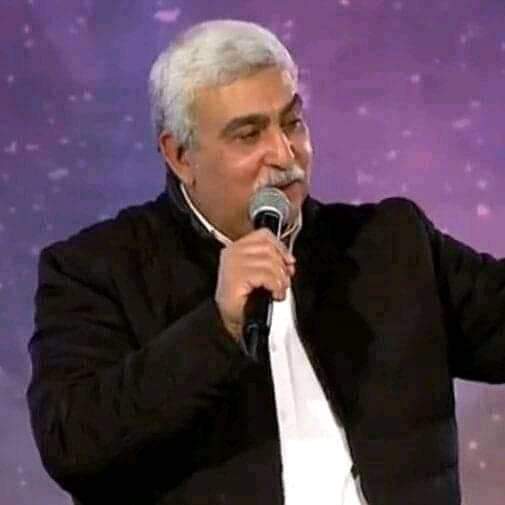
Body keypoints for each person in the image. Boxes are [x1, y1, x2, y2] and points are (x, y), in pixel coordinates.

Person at [26, 19, 505, 505]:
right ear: (180, 156)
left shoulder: (390, 244)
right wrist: (218, 329)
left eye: (292, 122)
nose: (284, 153)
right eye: (248, 135)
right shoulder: (99, 270)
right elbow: (73, 445)